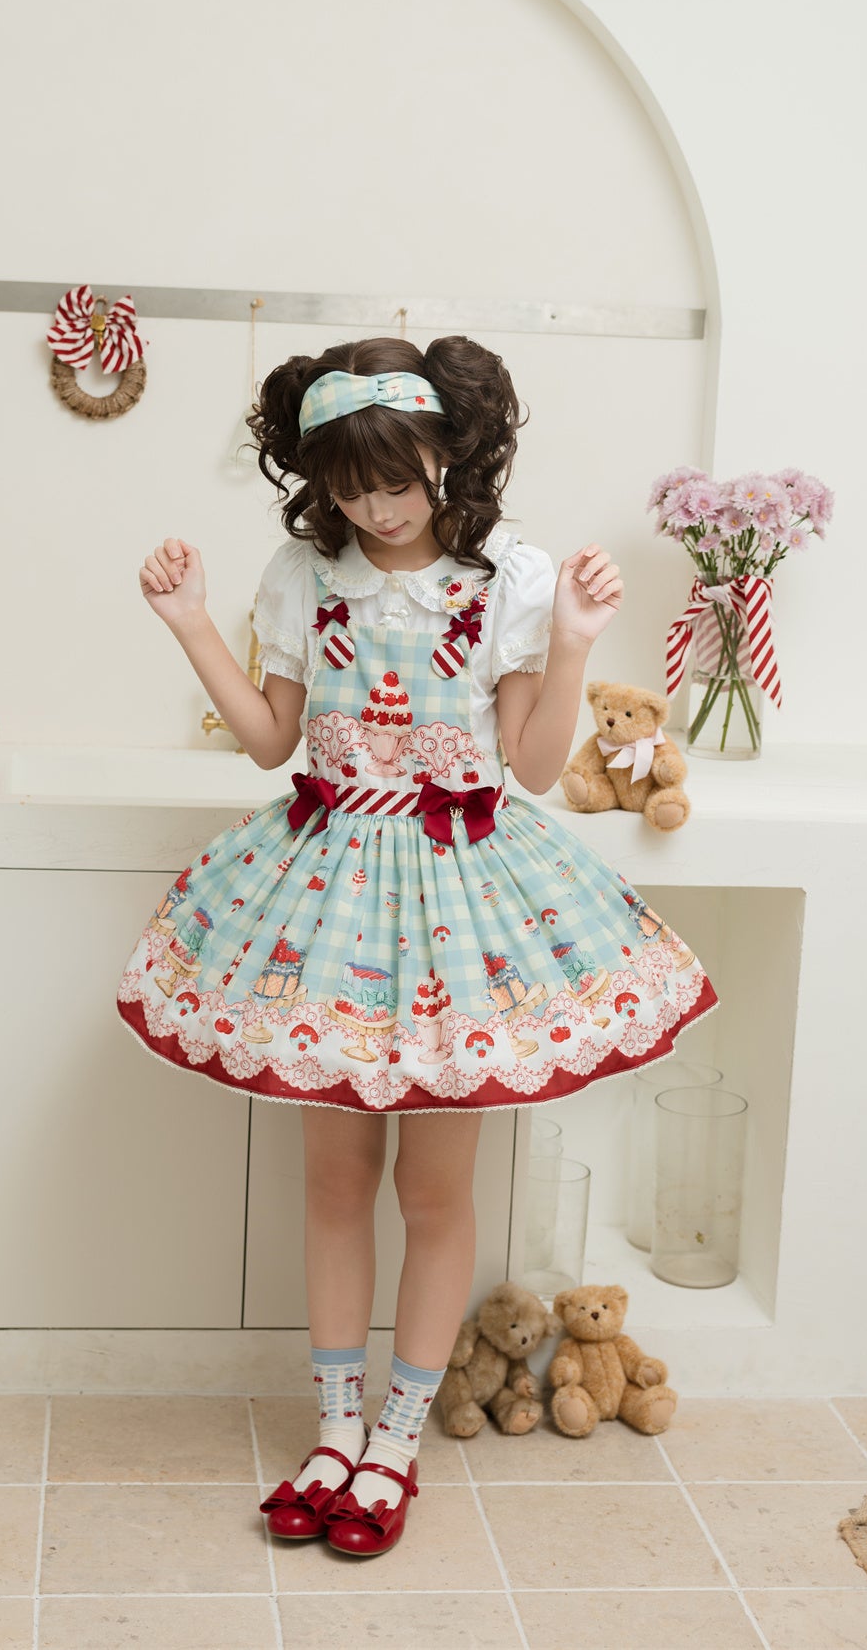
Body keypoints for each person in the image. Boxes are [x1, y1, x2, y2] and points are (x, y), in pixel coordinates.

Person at [118, 334, 720, 1557]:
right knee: (334, 1182)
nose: (378, 508)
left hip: (461, 900)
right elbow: (269, 740)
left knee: (434, 1190)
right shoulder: (305, 572)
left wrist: (574, 640)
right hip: (328, 890)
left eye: (396, 480)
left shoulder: (510, 579)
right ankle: (333, 1431)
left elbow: (535, 767)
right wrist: (189, 624)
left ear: (448, 453)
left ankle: (396, 1440)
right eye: (350, 487)